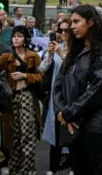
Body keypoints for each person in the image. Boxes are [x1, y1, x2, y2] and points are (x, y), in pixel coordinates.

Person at [53, 5, 102, 175]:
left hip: (98, 126)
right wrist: (62, 113)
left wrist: (70, 113)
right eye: (72, 22)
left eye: (77, 21)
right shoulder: (74, 53)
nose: (72, 26)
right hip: (74, 128)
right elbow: (58, 85)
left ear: (91, 22)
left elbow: (98, 90)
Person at [0, 25, 42, 175]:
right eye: (14, 36)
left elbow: (41, 77)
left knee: (27, 135)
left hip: (27, 96)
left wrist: (25, 76)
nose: (16, 38)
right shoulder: (6, 58)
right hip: (11, 98)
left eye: (19, 36)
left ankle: (28, 171)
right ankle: (15, 169)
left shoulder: (33, 56)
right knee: (13, 136)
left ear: (26, 38)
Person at [39, 17, 70, 175]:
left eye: (66, 30)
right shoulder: (58, 47)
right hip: (56, 95)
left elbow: (73, 71)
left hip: (71, 96)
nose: (63, 33)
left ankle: (74, 166)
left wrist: (61, 54)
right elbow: (41, 69)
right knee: (55, 131)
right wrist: (50, 54)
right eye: (60, 30)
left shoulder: (79, 49)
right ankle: (53, 168)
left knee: (71, 131)